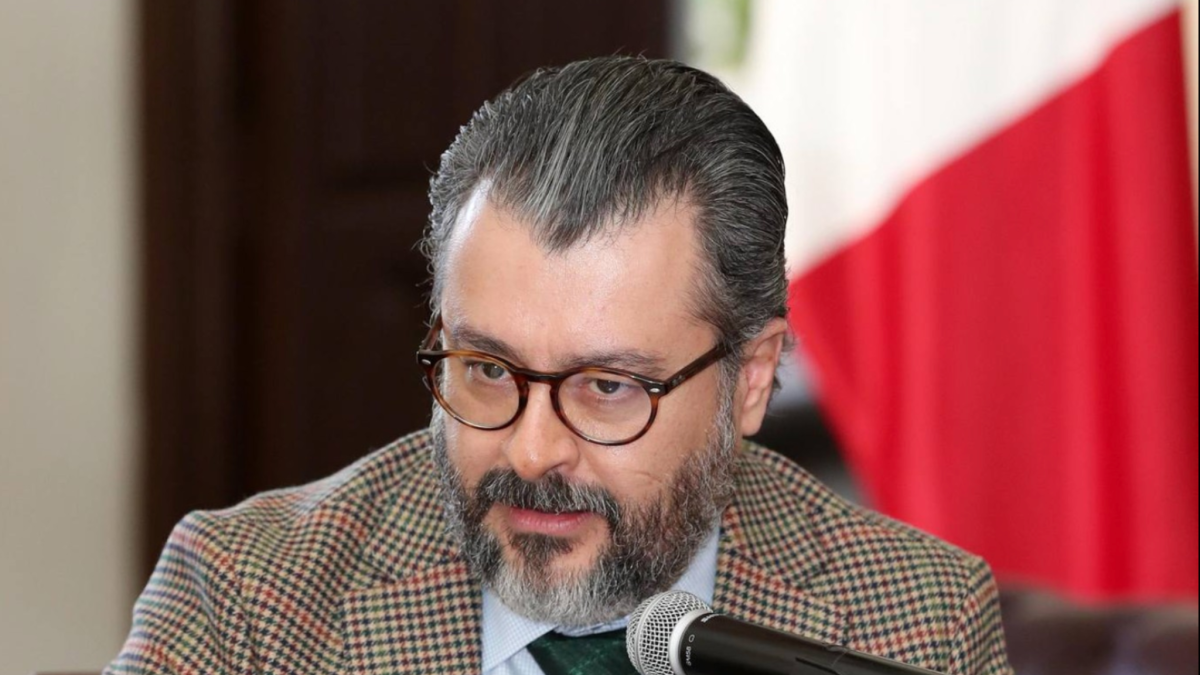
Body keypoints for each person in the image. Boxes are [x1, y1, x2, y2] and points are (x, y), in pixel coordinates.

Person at [107, 56, 1013, 675]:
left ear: (748, 378)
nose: (533, 450)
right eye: (488, 370)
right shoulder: (248, 601)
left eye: (607, 386)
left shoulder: (914, 621)